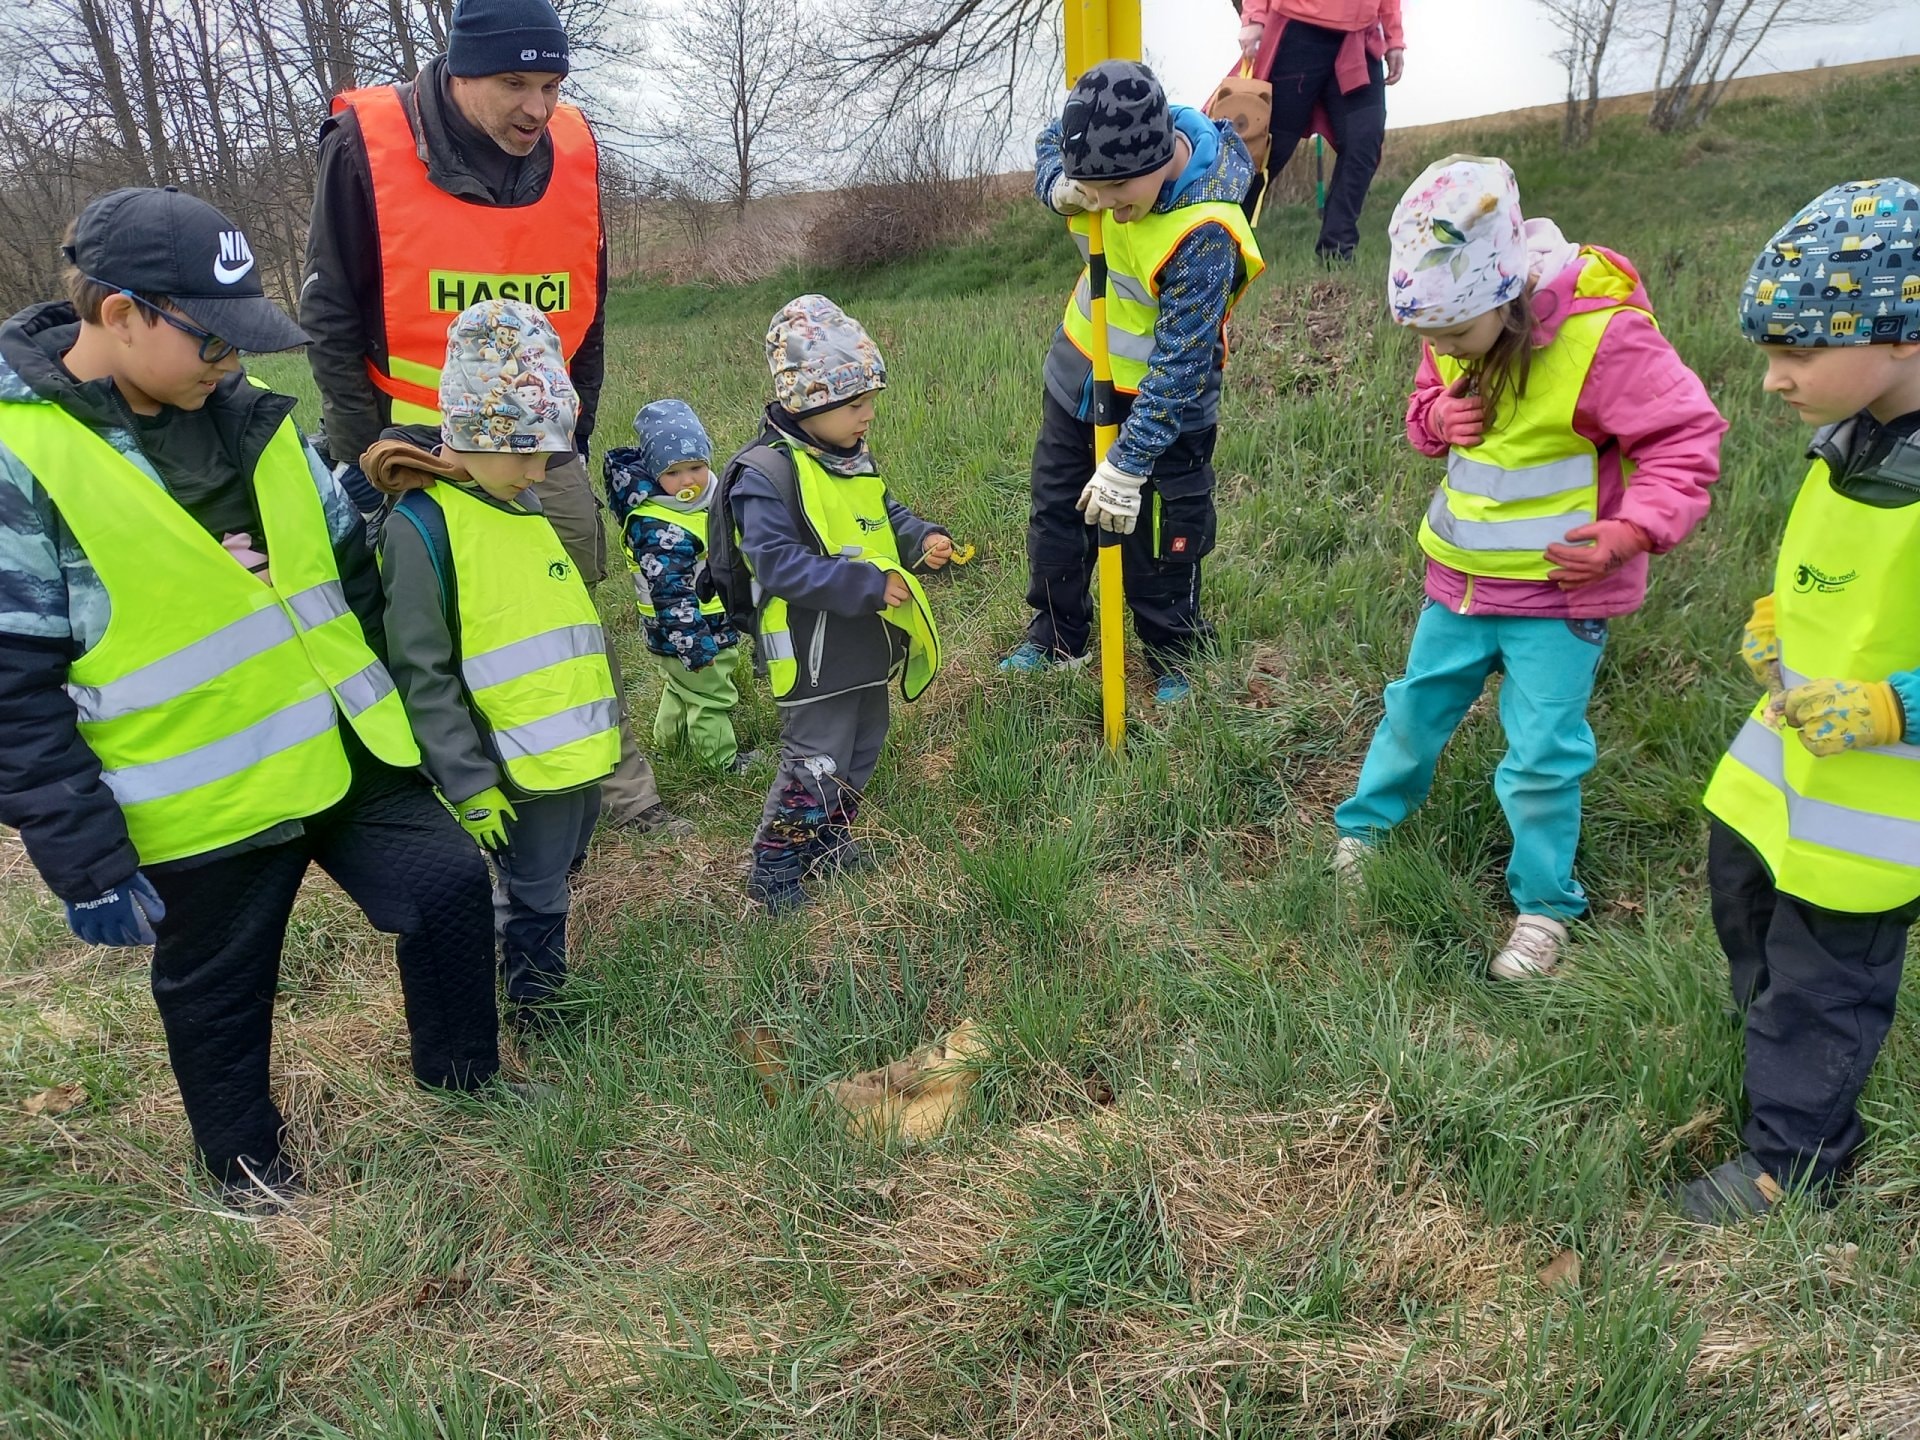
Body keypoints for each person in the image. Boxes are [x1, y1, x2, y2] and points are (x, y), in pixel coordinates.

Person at [0, 188, 510, 1205]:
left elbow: (346, 574)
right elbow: (15, 691)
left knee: (450, 884)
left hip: (342, 748)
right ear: (121, 313)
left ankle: (465, 1081)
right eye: (212, 339)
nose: (231, 360)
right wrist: (85, 860)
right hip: (204, 798)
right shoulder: (24, 456)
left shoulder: (256, 415)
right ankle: (247, 1175)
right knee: (222, 990)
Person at [1333, 155, 1726, 979]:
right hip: (1459, 585)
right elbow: (1424, 413)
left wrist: (1631, 532)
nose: (1440, 350)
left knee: (1543, 754)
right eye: (1428, 338)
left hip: (1558, 599)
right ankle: (1363, 834)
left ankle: (1544, 908)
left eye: (1453, 336)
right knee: (1412, 712)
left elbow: (1685, 438)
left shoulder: (1603, 337)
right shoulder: (1450, 324)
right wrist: (1434, 419)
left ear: (1506, 292)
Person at [300, 0, 688, 835]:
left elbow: (588, 306)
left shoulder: (573, 151)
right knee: (437, 637)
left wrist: (570, 440)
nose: (537, 109)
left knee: (567, 621)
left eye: (551, 86)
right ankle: (471, 797)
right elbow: (330, 318)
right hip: (415, 452)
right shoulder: (366, 146)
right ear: (459, 69)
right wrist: (365, 457)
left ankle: (616, 793)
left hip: (542, 450)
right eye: (515, 83)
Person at [1678, 177, 1920, 1224]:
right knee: (1744, 899)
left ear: (1903, 334)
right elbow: (1844, 567)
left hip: (1876, 805)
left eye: (1800, 351)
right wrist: (1780, 613)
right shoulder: (1854, 439)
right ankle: (1773, 1044)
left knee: (1827, 974)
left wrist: (1895, 706)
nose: (1774, 378)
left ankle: (1797, 1159)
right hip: (1787, 764)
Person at [363, 300, 617, 1030]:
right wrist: (468, 780)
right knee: (532, 885)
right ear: (473, 433)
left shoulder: (520, 501)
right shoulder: (424, 527)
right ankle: (539, 1007)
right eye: (524, 452)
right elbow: (424, 671)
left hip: (570, 750)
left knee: (558, 868)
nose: (538, 471)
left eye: (548, 454)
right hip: (511, 761)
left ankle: (544, 974)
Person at [1002, 60, 1265, 704]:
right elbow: (1050, 142)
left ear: (1159, 155)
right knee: (1057, 517)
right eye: (1094, 192)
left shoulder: (1205, 231)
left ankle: (1175, 653)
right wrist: (1056, 185)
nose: (1108, 210)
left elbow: (1180, 366)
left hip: (1165, 409)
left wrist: (1127, 464)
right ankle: (1058, 638)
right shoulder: (1100, 155)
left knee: (1160, 541)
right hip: (1079, 378)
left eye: (1119, 193)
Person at [716, 296, 949, 913]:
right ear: (805, 403)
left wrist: (921, 538)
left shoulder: (847, 457)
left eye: (870, 400)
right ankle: (776, 866)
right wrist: (868, 586)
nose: (867, 415)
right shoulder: (765, 475)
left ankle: (827, 842)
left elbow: (883, 514)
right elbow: (776, 565)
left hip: (865, 645)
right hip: (812, 654)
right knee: (814, 763)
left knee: (863, 748)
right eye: (853, 405)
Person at [603, 399, 756, 774]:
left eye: (696, 467)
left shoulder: (699, 504)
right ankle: (719, 762)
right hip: (689, 629)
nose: (688, 481)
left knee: (680, 686)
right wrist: (694, 644)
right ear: (655, 473)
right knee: (710, 693)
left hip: (696, 625)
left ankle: (670, 743)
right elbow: (671, 593)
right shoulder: (659, 527)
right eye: (673, 473)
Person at [1234, 0, 1404, 261]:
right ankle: (1220, 238)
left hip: (1360, 37)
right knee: (1268, 149)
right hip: (1297, 31)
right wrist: (1254, 17)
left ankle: (1337, 252)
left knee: (1365, 141)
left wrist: (1394, 38)